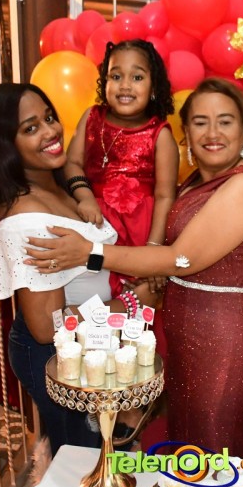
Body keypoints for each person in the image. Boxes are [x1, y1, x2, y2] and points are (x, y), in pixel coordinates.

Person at [23, 77, 243, 457]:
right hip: (188, 336)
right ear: (186, 133)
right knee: (188, 454)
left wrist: (91, 253)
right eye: (200, 122)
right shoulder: (198, 182)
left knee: (215, 455)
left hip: (224, 341)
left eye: (225, 121)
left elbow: (181, 259)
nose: (212, 133)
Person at [0, 82, 158, 456]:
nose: (50, 131)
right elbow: (47, 326)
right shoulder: (26, 218)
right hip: (55, 352)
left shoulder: (55, 185)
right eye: (31, 128)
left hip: (89, 340)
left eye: (49, 117)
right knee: (80, 460)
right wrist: (130, 306)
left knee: (99, 452)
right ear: (6, 145)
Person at [65, 39, 178, 296]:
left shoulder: (159, 134)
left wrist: (153, 250)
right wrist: (85, 197)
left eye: (137, 77)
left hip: (140, 231)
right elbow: (72, 163)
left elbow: (165, 196)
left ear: (153, 87)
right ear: (104, 82)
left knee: (135, 300)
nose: (125, 85)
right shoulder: (91, 118)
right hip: (94, 223)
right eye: (116, 76)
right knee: (94, 298)